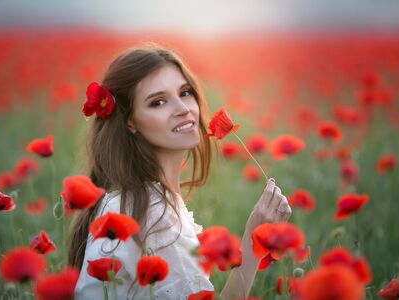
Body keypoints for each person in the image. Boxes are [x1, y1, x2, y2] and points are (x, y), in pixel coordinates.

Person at [68, 44, 292, 299]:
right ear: (130, 121)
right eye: (159, 101)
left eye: (185, 93)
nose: (183, 108)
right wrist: (253, 242)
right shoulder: (148, 212)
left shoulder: (136, 200)